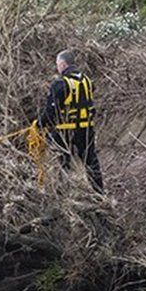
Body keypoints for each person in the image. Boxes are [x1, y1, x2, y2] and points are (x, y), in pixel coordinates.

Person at [37, 50, 104, 194]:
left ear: (62, 64)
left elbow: (51, 111)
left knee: (60, 162)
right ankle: (99, 193)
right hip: (86, 129)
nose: (57, 68)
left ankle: (64, 193)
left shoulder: (60, 83)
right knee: (91, 161)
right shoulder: (87, 81)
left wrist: (38, 125)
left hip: (65, 130)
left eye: (57, 64)